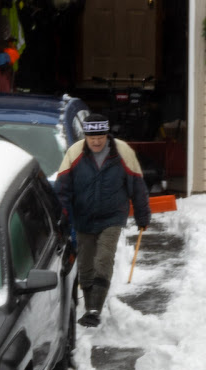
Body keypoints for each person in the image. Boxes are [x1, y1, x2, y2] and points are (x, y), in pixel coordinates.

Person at [55, 113, 151, 327]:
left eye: (100, 137)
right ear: (86, 136)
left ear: (107, 135)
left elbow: (137, 186)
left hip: (112, 217)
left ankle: (94, 310)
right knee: (86, 266)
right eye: (92, 138)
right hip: (84, 218)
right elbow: (62, 190)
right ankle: (90, 306)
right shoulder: (74, 153)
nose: (97, 142)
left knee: (103, 259)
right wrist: (63, 218)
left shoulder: (123, 152)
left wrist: (142, 214)